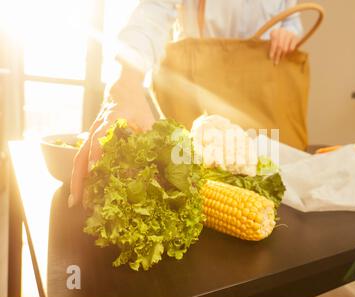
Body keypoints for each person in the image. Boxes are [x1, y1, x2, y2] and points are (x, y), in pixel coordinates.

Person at [69, 0, 304, 207]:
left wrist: (290, 31)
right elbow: (157, 6)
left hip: (264, 91)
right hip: (198, 96)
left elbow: (292, 18)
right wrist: (127, 81)